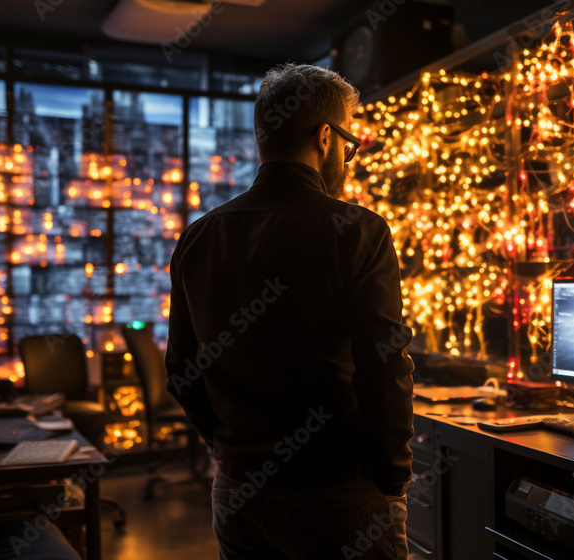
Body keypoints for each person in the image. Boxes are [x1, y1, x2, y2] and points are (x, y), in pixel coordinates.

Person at [165, 63, 414, 560]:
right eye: (349, 142)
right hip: (336, 494)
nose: (348, 154)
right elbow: (383, 367)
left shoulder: (200, 235)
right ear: (325, 137)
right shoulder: (359, 230)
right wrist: (391, 475)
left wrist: (230, 449)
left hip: (236, 494)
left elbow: (181, 369)